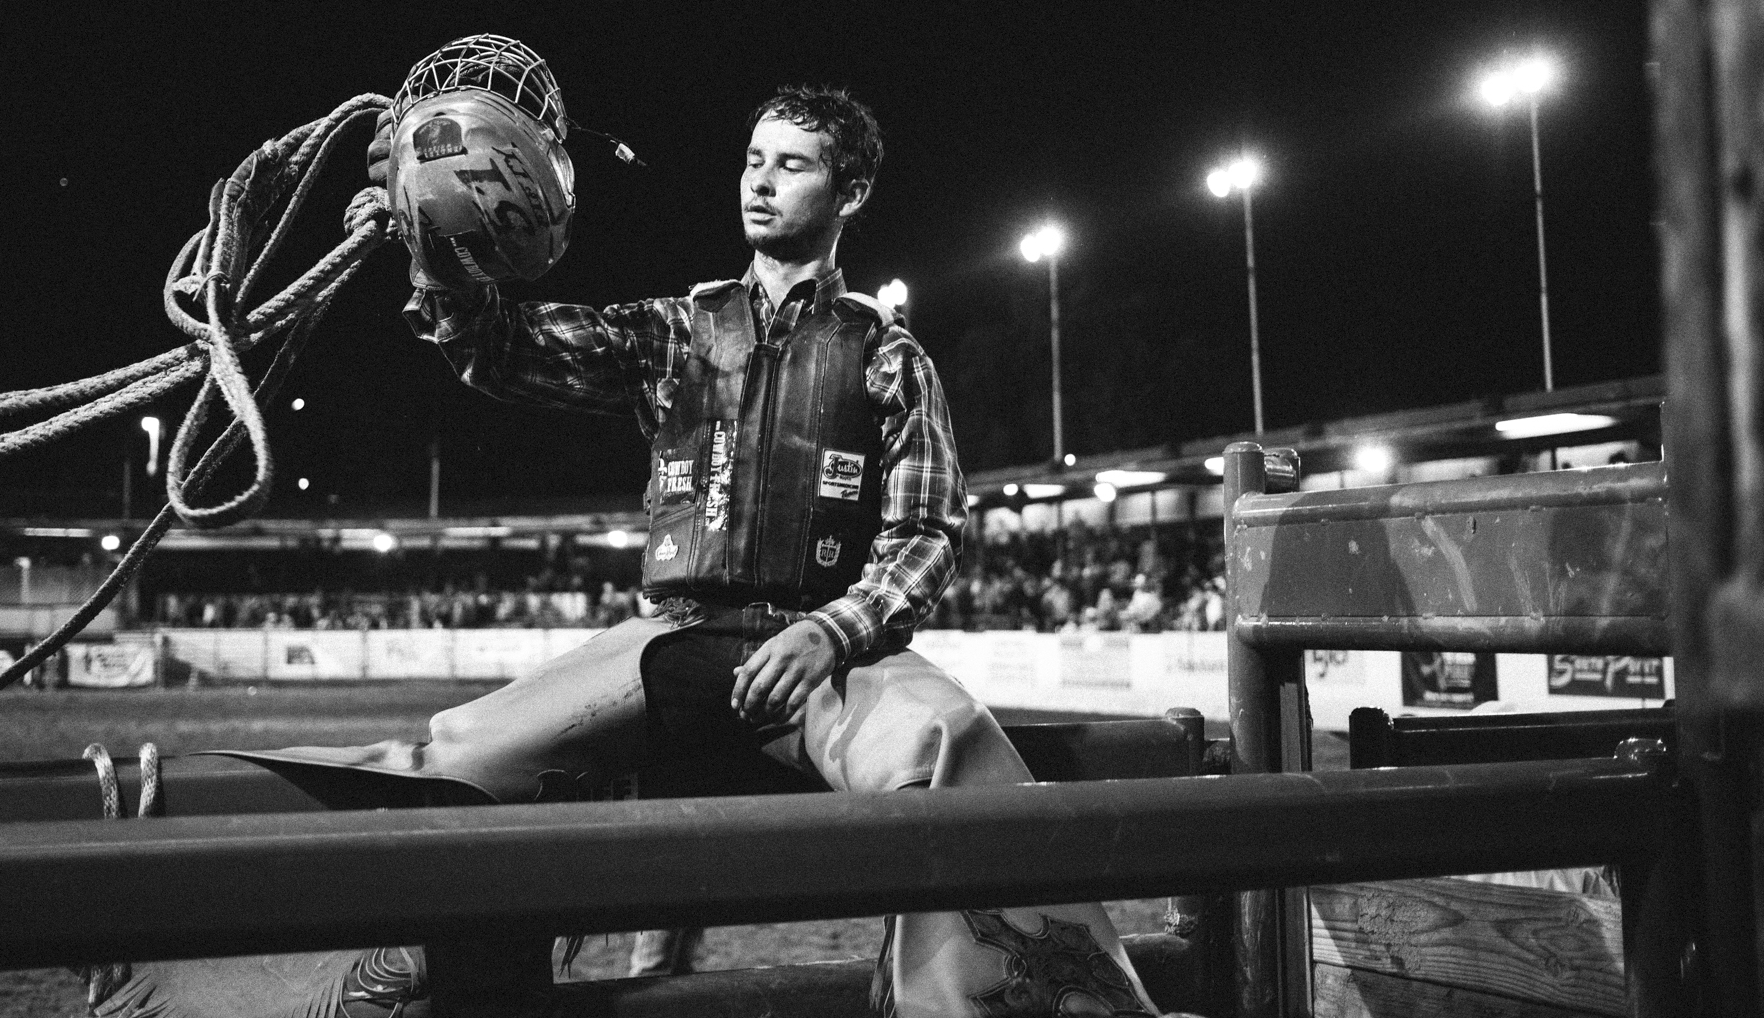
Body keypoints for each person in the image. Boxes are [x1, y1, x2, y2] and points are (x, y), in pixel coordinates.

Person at [95, 84, 1163, 1018]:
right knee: (465, 749)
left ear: (848, 194)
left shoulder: (889, 356)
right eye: (751, 158)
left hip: (825, 654)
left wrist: (831, 629)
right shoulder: (674, 328)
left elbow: (924, 530)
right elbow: (503, 349)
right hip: (668, 638)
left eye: (789, 165)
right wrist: (435, 244)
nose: (757, 181)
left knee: (945, 738)